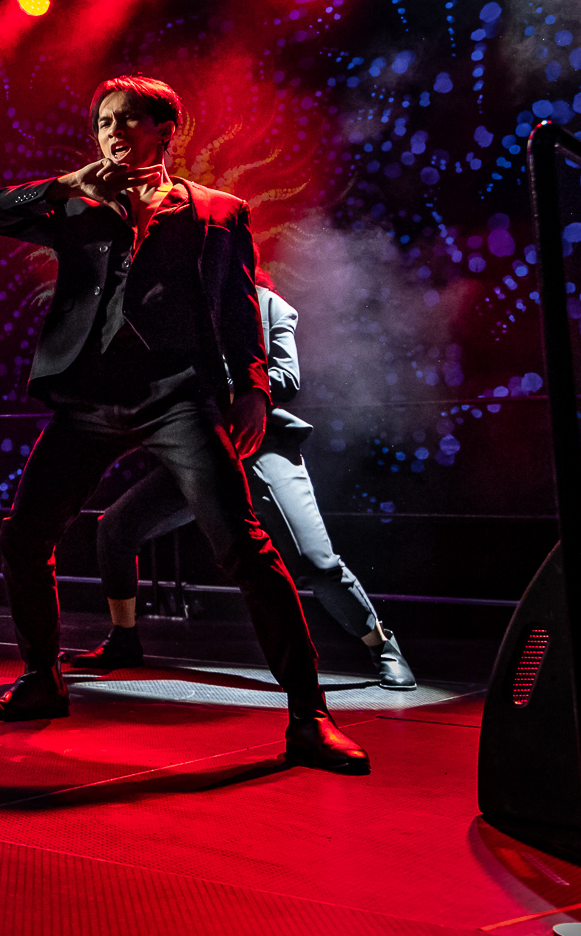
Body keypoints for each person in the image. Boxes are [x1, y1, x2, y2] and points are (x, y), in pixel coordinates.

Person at [0, 76, 368, 774]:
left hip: (177, 393)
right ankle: (40, 679)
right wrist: (65, 183)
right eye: (103, 122)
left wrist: (253, 390)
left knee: (244, 547)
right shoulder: (75, 203)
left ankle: (309, 716)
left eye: (128, 119)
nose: (113, 132)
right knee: (24, 534)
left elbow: (240, 308)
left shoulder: (218, 211)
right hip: (87, 396)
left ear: (164, 130)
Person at [70, 268, 417, 689]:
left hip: (260, 447)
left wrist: (221, 382)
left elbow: (286, 379)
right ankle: (123, 638)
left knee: (314, 562)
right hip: (203, 452)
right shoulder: (181, 310)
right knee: (115, 528)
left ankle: (383, 646)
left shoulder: (269, 306)